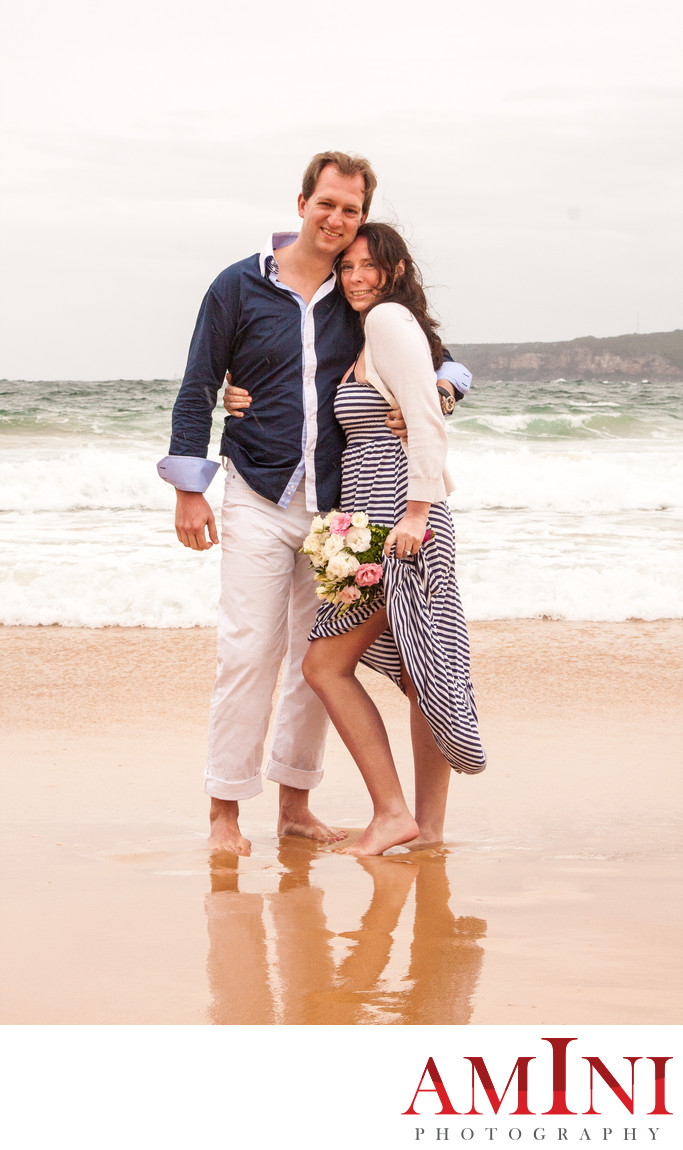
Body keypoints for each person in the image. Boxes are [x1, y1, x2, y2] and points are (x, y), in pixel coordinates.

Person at [158, 151, 468, 856]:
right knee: (246, 653)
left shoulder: (360, 292)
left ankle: (295, 807)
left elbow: (438, 359)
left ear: (361, 217)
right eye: (326, 204)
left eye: (350, 210)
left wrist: (445, 391)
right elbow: (198, 385)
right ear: (300, 204)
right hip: (258, 494)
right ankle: (225, 816)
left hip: (337, 512)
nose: (337, 220)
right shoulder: (237, 287)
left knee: (317, 662)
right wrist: (188, 488)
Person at [301, 223, 486, 857]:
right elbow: (437, 385)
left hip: (397, 524)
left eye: (366, 266)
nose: (353, 277)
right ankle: (426, 829)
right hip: (378, 524)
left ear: (397, 269)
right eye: (345, 267)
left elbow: (427, 423)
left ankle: (391, 813)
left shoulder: (386, 321)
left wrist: (415, 513)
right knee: (418, 671)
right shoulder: (375, 327)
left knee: (324, 664)